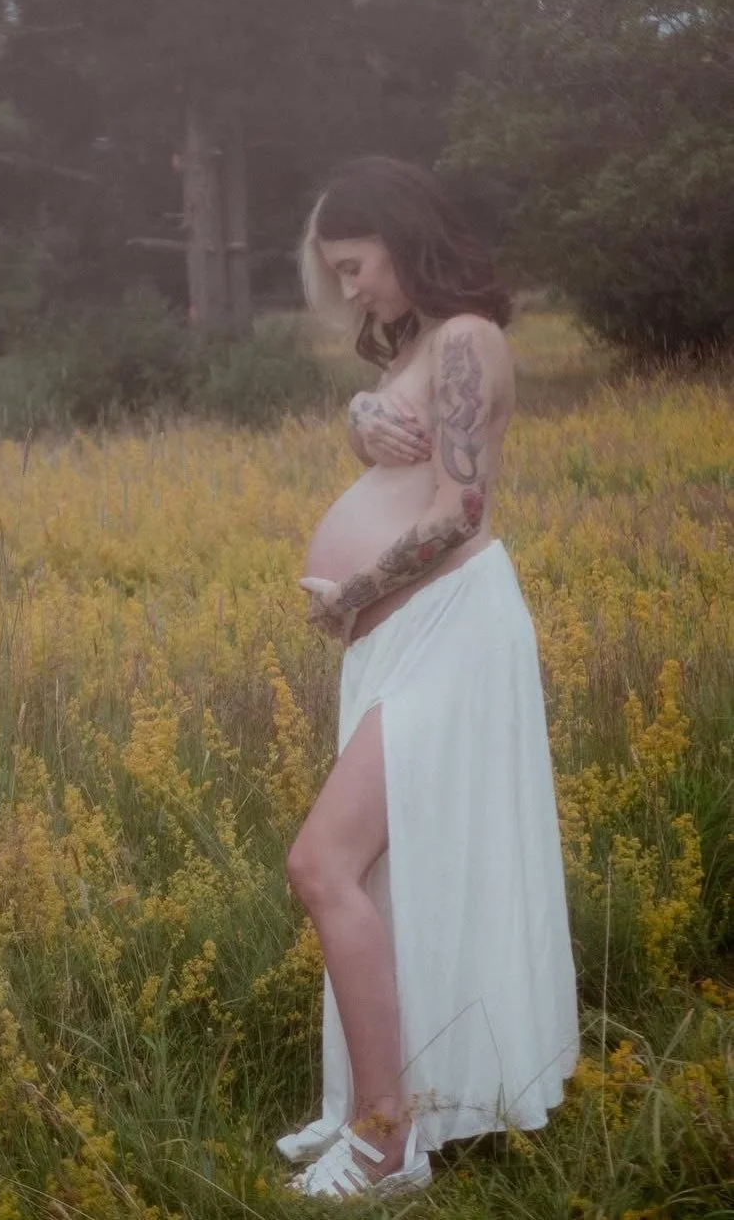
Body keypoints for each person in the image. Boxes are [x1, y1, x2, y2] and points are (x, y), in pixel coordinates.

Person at [277, 157, 579, 1201]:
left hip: (447, 628)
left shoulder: (464, 340)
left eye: (355, 266)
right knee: (381, 878)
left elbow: (460, 510)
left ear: (403, 240)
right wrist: (363, 414)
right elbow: (399, 449)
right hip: (410, 638)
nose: (350, 290)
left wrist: (349, 592)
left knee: (323, 862)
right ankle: (381, 1112)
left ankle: (386, 1142)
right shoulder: (425, 345)